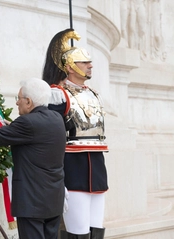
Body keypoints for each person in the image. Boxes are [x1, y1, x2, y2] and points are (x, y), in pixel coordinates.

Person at [0, 78, 67, 239]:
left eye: (18, 98)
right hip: (53, 200)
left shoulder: (27, 123)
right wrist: (15, 128)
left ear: (28, 102)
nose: (16, 103)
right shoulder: (56, 119)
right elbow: (36, 138)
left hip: (32, 202)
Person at [42, 29, 108, 239]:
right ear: (69, 67)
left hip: (97, 167)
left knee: (96, 230)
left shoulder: (93, 93)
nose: (90, 65)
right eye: (83, 62)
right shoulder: (57, 95)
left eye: (89, 61)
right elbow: (51, 138)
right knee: (78, 231)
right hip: (73, 168)